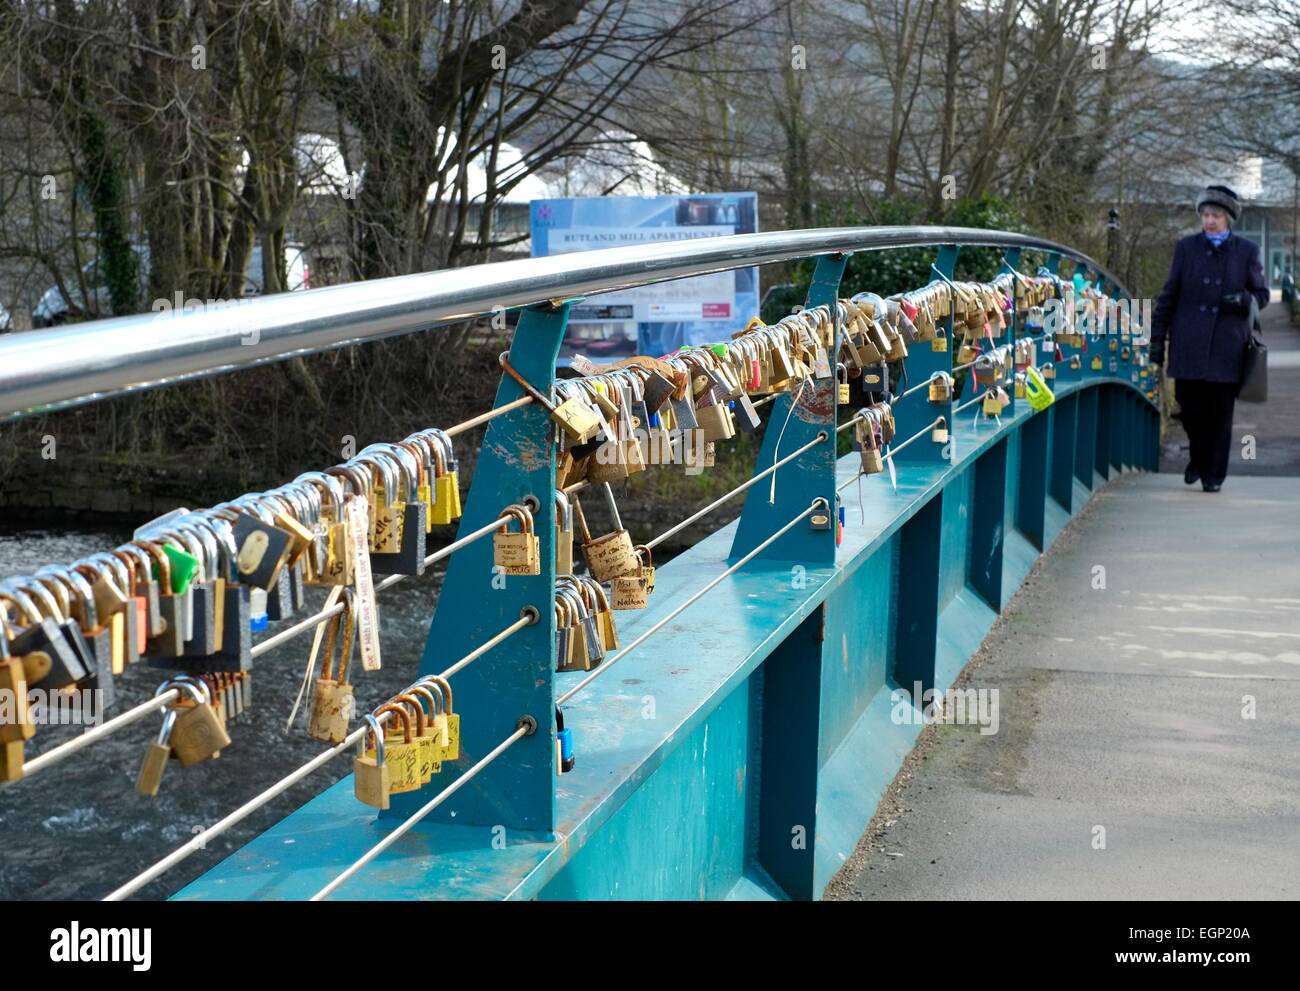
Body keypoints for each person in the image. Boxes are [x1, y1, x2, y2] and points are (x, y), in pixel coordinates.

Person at [1149, 184, 1268, 492]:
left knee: (1220, 415)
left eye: (1216, 215)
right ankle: (1198, 459)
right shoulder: (1186, 248)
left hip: (1227, 346)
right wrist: (1156, 344)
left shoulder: (1246, 251)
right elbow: (1168, 297)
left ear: (1228, 218)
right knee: (1189, 411)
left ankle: (1214, 475)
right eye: (1205, 215)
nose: (1210, 220)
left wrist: (1244, 300)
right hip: (1188, 344)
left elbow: (1261, 294)